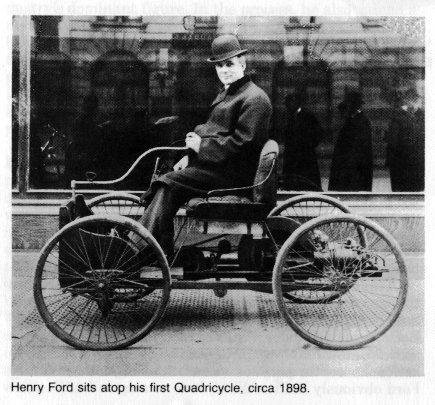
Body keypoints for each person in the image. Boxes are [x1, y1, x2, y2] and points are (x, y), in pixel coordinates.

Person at [133, 34, 273, 255]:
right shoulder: (231, 94)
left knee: (168, 182)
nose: (224, 70)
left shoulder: (254, 98)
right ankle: (151, 246)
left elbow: (243, 144)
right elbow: (212, 129)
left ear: (242, 64)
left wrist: (201, 148)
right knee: (167, 182)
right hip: (218, 169)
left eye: (229, 64)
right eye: (219, 66)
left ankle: (141, 247)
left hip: (234, 177)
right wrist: (190, 154)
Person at [329, 91, 373, 191]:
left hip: (354, 168)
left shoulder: (361, 121)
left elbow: (358, 148)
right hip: (349, 167)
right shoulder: (352, 120)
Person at [282, 91, 322, 191]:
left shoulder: (308, 116)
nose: (287, 106)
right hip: (293, 157)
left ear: (296, 103)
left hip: (306, 157)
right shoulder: (290, 117)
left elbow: (318, 134)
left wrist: (307, 147)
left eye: (289, 103)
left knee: (307, 183)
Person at [385, 88, 424, 192]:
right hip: (402, 162)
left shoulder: (422, 115)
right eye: (412, 100)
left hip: (417, 162)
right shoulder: (398, 116)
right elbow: (392, 141)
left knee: (416, 190)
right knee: (402, 190)